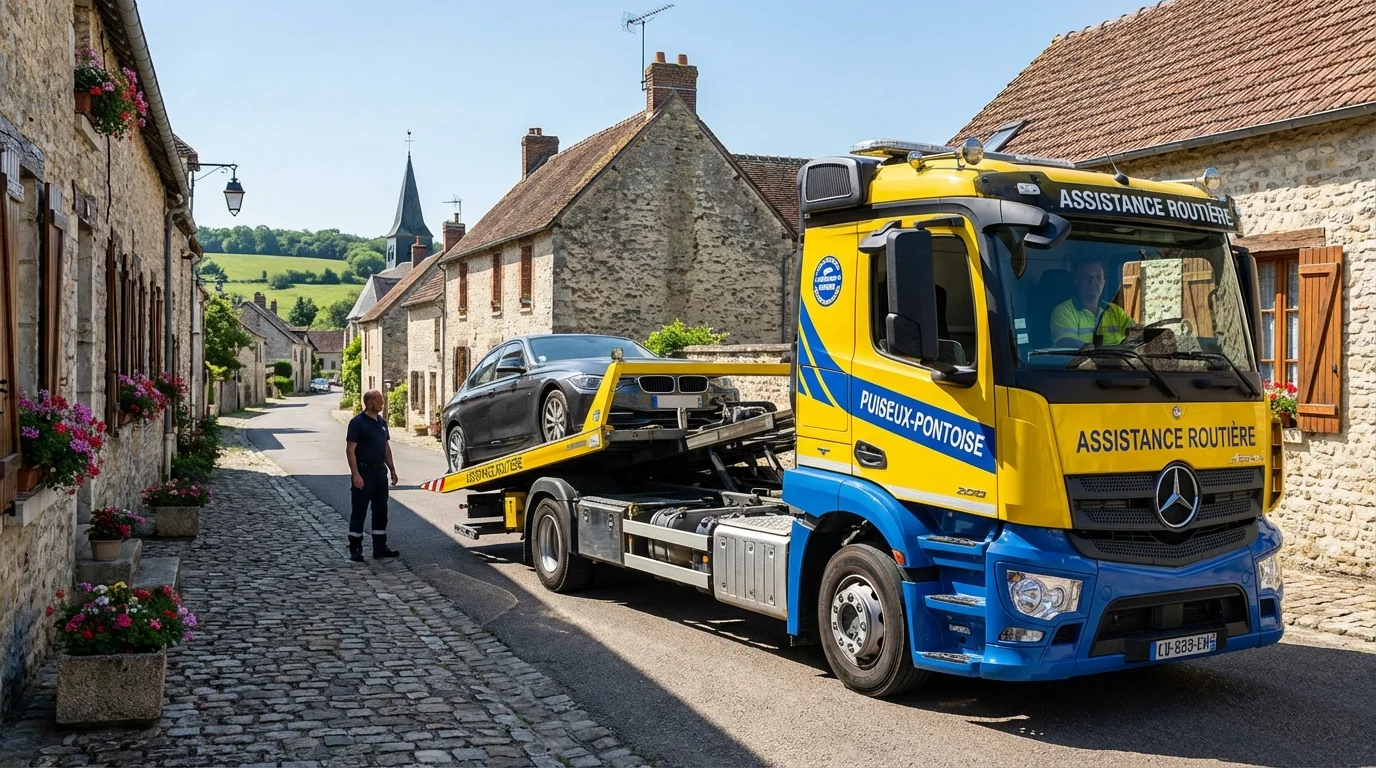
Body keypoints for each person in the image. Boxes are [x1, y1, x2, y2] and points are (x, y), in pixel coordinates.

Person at [345, 389, 400, 562]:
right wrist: (356, 474)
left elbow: (386, 448)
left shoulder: (381, 422)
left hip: (379, 472)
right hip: (364, 471)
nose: (382, 403)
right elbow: (350, 450)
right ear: (369, 403)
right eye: (379, 400)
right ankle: (355, 547)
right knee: (359, 511)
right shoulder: (357, 422)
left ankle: (380, 547)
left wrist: (391, 469)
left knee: (381, 510)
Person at [1050, 257, 1135, 347]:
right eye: (1088, 277)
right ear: (1076, 280)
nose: (1094, 282)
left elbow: (1136, 333)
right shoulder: (1063, 311)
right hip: (1081, 361)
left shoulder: (1114, 311)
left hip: (1120, 360)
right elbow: (1065, 342)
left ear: (1104, 281)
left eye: (1098, 277)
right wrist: (1100, 352)